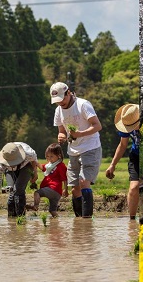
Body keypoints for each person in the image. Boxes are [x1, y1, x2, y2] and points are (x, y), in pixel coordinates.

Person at [50, 82, 102, 218]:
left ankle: (87, 220)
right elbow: (61, 131)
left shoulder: (83, 105)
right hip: (73, 150)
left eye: (62, 99)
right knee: (74, 188)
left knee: (84, 182)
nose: (60, 103)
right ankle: (79, 222)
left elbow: (97, 126)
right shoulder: (58, 110)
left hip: (90, 147)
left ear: (69, 93)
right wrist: (61, 137)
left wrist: (79, 134)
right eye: (57, 101)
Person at [105, 104, 140, 220]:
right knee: (134, 187)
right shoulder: (128, 121)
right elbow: (123, 145)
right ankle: (132, 221)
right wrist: (112, 165)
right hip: (135, 157)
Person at [0, 142, 39, 219]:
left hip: (26, 166)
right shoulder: (1, 163)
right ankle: (11, 220)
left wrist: (34, 173)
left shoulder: (28, 153)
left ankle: (21, 218)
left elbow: (34, 161)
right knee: (12, 192)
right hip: (9, 171)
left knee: (18, 189)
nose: (12, 165)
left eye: (13, 162)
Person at [26, 143, 68, 217]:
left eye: (51, 156)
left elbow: (64, 178)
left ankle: (35, 206)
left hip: (53, 188)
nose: (49, 159)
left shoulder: (61, 166)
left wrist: (65, 189)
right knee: (52, 211)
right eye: (48, 156)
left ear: (59, 156)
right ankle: (57, 223)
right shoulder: (50, 165)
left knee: (37, 193)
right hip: (57, 193)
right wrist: (35, 162)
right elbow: (42, 167)